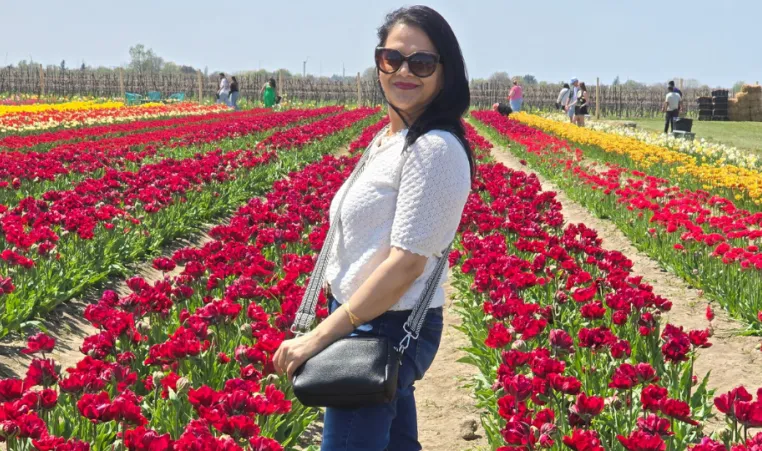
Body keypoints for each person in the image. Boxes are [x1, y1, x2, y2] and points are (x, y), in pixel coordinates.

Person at [273, 5, 474, 450]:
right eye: (392, 59)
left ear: (446, 73)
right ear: (378, 63)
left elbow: (405, 265)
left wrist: (318, 338)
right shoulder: (390, 139)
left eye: (422, 62)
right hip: (362, 318)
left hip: (383, 325)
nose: (405, 71)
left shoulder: (434, 148)